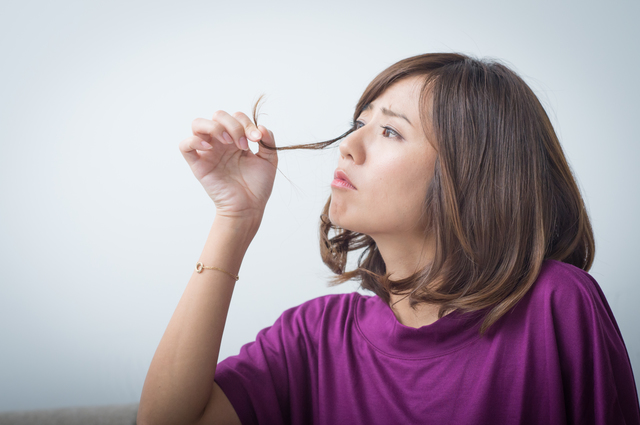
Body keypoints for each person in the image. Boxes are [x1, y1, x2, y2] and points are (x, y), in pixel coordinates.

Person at [137, 53, 640, 425]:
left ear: (474, 175)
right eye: (360, 123)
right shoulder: (315, 336)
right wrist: (235, 217)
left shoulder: (558, 305)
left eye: (391, 132)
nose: (348, 147)